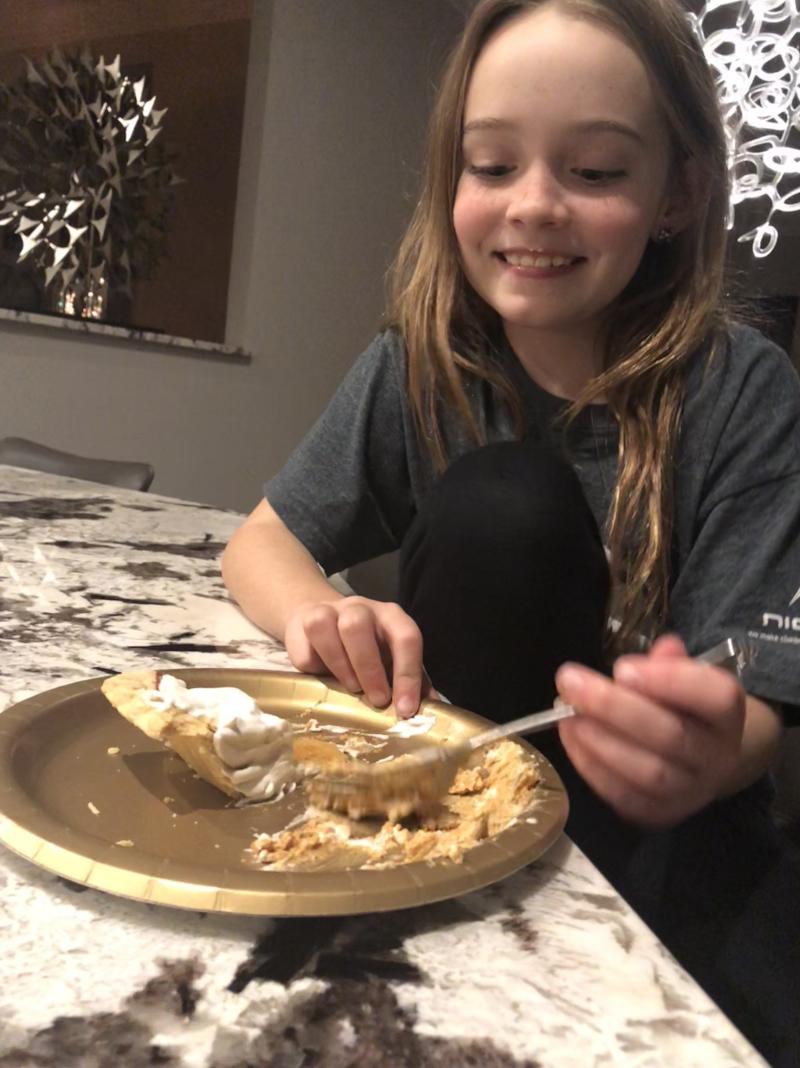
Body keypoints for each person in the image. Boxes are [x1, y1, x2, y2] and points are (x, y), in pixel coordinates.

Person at [223, 1, 800, 1061]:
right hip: (456, 805)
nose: (533, 204)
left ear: (676, 195)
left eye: (594, 171)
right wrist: (321, 612)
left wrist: (709, 750)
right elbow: (260, 542)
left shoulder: (742, 391)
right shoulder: (420, 363)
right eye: (491, 165)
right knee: (503, 499)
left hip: (672, 840)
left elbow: (755, 691)